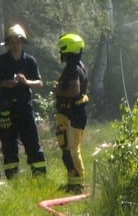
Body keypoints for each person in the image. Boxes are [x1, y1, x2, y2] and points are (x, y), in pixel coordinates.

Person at [0, 23, 47, 180]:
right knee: (8, 144)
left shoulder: (30, 61)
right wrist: (4, 83)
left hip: (24, 107)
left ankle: (40, 177)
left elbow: (40, 83)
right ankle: (13, 179)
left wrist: (26, 82)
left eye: (18, 42)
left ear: (22, 42)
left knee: (32, 142)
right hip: (6, 108)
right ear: (8, 44)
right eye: (12, 42)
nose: (15, 45)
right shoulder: (1, 61)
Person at [52, 33, 89, 193]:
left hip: (72, 114)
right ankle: (72, 182)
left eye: (62, 50)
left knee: (72, 150)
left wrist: (58, 91)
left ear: (69, 50)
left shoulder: (72, 69)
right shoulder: (80, 66)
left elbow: (75, 91)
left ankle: (78, 185)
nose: (61, 53)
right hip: (73, 114)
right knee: (67, 147)